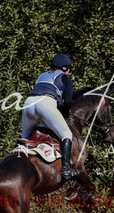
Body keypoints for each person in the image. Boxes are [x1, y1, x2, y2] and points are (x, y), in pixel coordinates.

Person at [21, 53, 80, 181]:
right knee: (67, 135)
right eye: (69, 68)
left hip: (29, 103)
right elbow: (68, 102)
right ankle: (66, 169)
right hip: (45, 103)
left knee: (24, 136)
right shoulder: (65, 78)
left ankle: (16, 159)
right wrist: (64, 114)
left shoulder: (42, 76)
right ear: (64, 68)